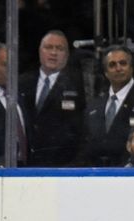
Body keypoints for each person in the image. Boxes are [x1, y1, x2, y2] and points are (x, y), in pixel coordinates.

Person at [18, 30, 85, 166]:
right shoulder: (22, 82)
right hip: (26, 166)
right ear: (40, 51)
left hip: (62, 166)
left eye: (59, 49)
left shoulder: (79, 85)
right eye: (48, 47)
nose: (53, 53)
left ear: (66, 55)